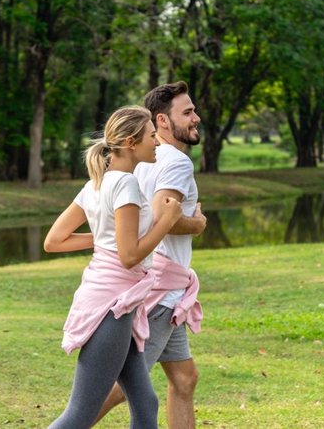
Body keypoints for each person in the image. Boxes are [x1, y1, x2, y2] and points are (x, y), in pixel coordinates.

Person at [43, 105, 183, 429]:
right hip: (112, 305)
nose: (158, 143)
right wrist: (168, 221)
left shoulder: (97, 183)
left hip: (117, 299)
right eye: (152, 136)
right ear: (132, 142)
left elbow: (54, 240)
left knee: (146, 403)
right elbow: (130, 255)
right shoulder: (126, 184)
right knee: (78, 415)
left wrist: (104, 239)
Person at [95, 81, 206, 429]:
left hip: (160, 287)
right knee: (124, 385)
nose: (196, 118)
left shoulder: (139, 158)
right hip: (162, 291)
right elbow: (163, 217)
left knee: (185, 378)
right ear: (162, 120)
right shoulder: (175, 163)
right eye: (187, 113)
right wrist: (198, 224)